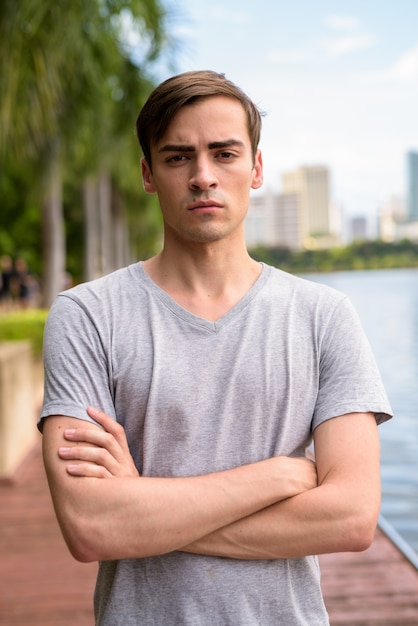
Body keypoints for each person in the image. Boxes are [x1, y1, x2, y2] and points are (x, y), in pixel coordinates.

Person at [39, 70, 392, 626]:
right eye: (178, 157)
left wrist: (144, 510)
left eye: (223, 153)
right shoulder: (87, 316)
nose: (203, 176)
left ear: (254, 168)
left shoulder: (323, 316)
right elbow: (91, 528)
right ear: (148, 173)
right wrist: (276, 477)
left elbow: (351, 517)